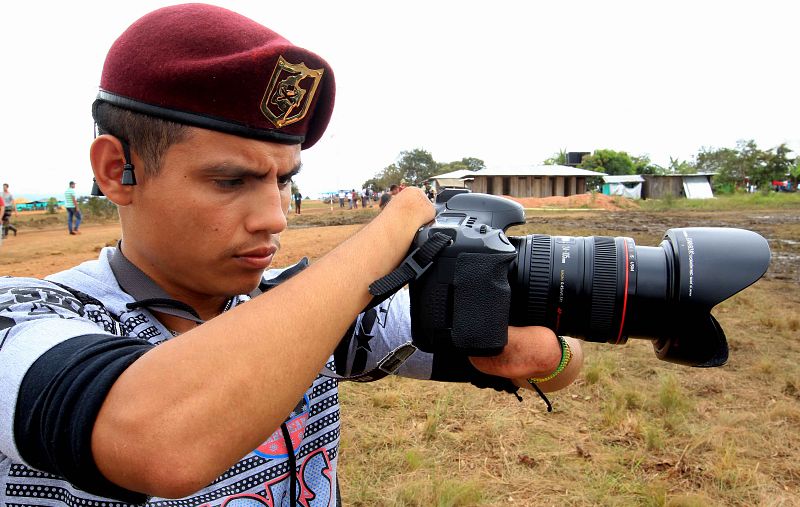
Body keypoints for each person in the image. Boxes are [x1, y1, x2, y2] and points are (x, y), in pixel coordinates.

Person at [0, 5, 582, 506]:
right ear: (115, 170)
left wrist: (548, 355)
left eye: (282, 180)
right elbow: (159, 441)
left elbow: (550, 359)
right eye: (230, 181)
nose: (275, 217)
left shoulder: (298, 308)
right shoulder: (26, 318)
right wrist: (397, 224)